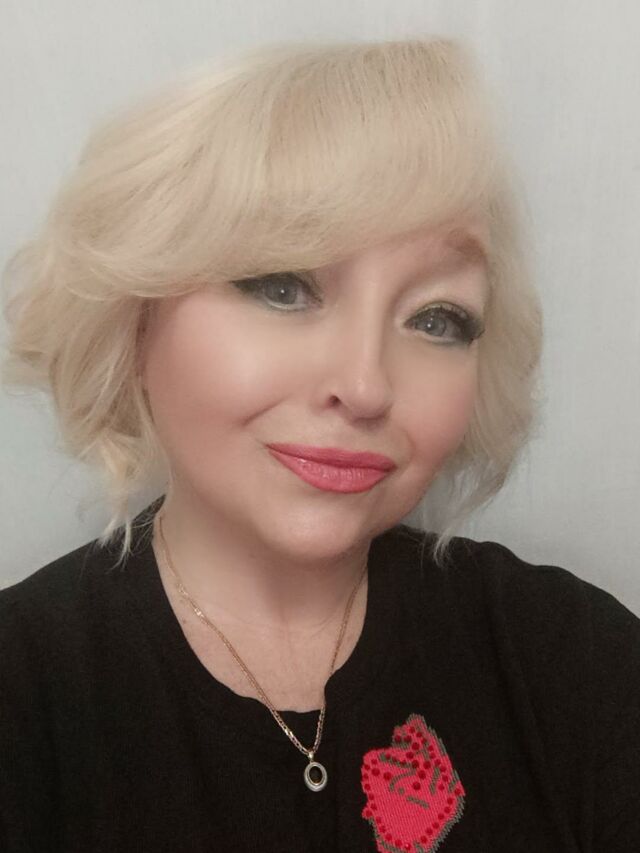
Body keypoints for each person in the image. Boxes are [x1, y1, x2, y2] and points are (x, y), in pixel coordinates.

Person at [1, 37, 638, 853]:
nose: (366, 385)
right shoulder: (26, 694)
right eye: (283, 285)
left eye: (437, 318)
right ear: (136, 317)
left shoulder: (573, 660)